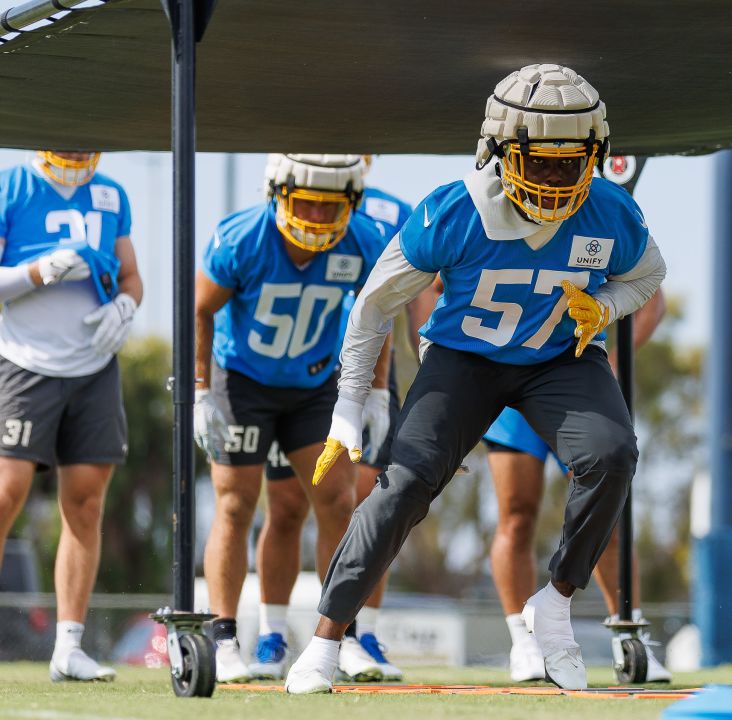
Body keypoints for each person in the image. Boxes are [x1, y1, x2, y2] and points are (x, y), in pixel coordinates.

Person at [284, 63, 665, 694]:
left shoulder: (611, 211)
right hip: (465, 359)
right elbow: (376, 304)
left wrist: (606, 309)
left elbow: (648, 275)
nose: (553, 178)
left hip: (557, 358)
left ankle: (556, 602)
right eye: (537, 161)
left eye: (570, 163)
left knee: (614, 451)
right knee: (402, 486)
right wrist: (349, 405)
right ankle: (327, 639)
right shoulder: (454, 211)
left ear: (594, 156)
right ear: (499, 152)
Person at [194, 154, 389, 684]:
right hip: (243, 382)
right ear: (279, 193)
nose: (319, 218)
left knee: (338, 502)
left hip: (313, 385)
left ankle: (341, 636)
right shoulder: (242, 238)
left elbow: (378, 312)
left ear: (351, 201)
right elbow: (199, 307)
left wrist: (377, 391)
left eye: (331, 206)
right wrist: (198, 389)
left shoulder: (364, 239)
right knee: (236, 503)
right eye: (307, 203)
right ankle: (225, 636)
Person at [414, 277, 669, 681]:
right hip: (505, 377)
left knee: (605, 511)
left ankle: (628, 631)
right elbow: (436, 283)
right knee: (517, 514)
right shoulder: (491, 220)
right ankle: (524, 641)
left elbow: (651, 301)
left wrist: (611, 364)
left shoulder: (602, 221)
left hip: (573, 382)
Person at [250, 155, 412, 682]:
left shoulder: (392, 213)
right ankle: (273, 631)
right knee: (287, 505)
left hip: (369, 379)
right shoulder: (292, 201)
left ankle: (361, 633)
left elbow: (407, 301)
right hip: (316, 376)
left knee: (365, 506)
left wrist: (386, 389)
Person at [0, 151, 142, 682]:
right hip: (25, 363)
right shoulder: (11, 185)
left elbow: (131, 277)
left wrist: (126, 307)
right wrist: (36, 271)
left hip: (93, 368)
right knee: (5, 493)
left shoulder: (111, 192)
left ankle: (69, 646)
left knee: (85, 504)